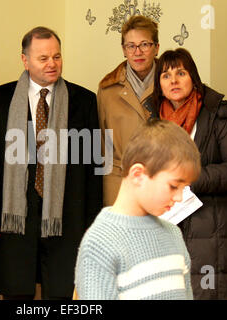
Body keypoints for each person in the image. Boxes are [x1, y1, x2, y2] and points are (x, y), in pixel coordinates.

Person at [0, 26, 102, 300]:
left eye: (57, 57)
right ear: (25, 60)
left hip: (66, 217)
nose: (52, 64)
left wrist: (93, 222)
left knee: (59, 292)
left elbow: (95, 167)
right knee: (16, 292)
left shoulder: (84, 100)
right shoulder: (1, 98)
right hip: (16, 216)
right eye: (43, 58)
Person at [152, 48, 227, 299]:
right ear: (159, 85)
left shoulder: (220, 114)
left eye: (181, 73)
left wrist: (189, 178)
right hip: (169, 232)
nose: (173, 80)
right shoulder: (154, 122)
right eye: (166, 75)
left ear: (193, 78)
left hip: (215, 232)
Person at [75, 119, 201, 300]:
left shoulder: (174, 235)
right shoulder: (100, 243)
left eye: (184, 188)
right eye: (174, 186)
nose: (180, 198)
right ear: (138, 175)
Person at [97, 15, 160, 207]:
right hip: (119, 183)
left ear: (156, 48)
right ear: (124, 50)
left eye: (144, 44)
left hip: (160, 180)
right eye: (131, 46)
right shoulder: (108, 89)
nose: (137, 52)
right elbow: (100, 147)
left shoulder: (170, 83)